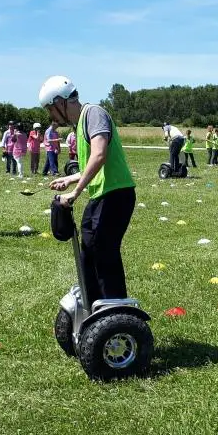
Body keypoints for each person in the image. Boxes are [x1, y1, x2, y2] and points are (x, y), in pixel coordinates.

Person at [40, 75, 137, 301]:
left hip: (116, 194)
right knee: (88, 251)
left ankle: (114, 309)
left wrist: (75, 192)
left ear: (60, 102)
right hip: (101, 195)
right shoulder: (79, 124)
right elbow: (91, 165)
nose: (51, 116)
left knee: (104, 253)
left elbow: (100, 154)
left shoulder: (93, 114)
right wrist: (71, 179)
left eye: (50, 110)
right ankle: (92, 301)